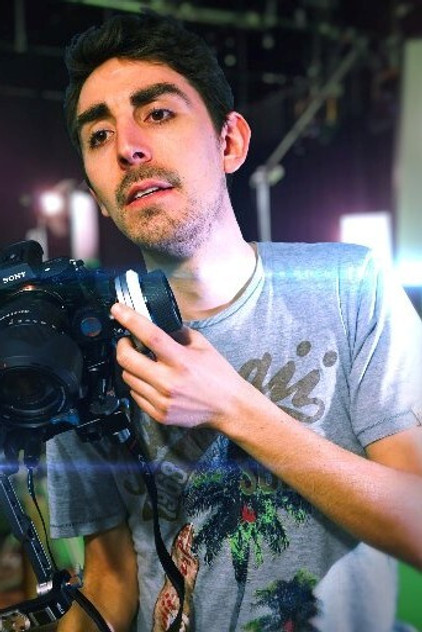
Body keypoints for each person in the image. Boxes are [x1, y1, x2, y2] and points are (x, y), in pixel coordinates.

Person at [46, 9, 422, 632]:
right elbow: (110, 579)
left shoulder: (347, 284)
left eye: (157, 113)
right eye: (99, 135)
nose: (127, 147)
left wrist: (232, 407)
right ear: (98, 197)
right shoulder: (84, 348)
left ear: (230, 143)